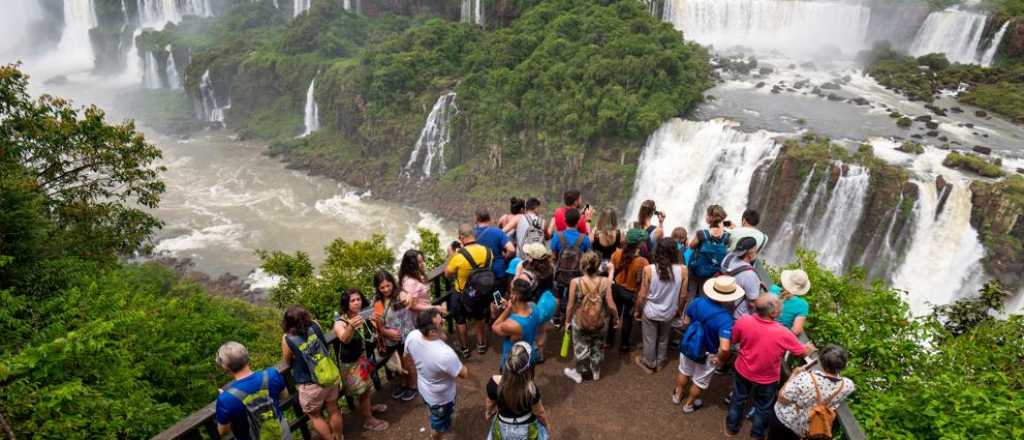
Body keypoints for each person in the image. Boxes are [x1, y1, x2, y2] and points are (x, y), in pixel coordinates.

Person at [725, 295, 815, 439]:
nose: (782, 310)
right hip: (767, 378)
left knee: (738, 398)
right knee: (763, 407)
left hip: (743, 369)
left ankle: (731, 428)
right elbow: (800, 351)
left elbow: (734, 339)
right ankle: (757, 434)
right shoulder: (783, 332)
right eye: (780, 307)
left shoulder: (744, 320)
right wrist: (808, 350)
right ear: (773, 313)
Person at [673, 277, 743, 414]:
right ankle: (689, 405)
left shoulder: (697, 302)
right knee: (699, 381)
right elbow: (724, 347)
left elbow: (686, 322)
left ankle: (677, 395)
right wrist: (720, 359)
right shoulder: (725, 319)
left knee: (684, 370)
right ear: (728, 297)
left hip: (689, 346)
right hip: (708, 354)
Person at [405, 309, 474, 440]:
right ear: (431, 332)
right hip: (441, 398)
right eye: (440, 322)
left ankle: (434, 420)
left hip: (425, 387)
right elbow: (464, 374)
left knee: (431, 410)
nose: (443, 321)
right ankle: (436, 436)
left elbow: (408, 357)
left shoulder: (413, 335)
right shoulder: (445, 354)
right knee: (438, 425)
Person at [280, 306, 343, 440]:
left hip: (309, 384)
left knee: (315, 415)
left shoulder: (287, 338)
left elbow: (286, 360)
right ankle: (339, 436)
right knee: (333, 409)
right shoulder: (315, 325)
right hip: (329, 376)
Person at [333, 288, 389, 432]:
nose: (357, 303)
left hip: (363, 359)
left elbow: (371, 335)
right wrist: (351, 326)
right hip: (351, 364)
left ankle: (368, 409)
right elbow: (344, 339)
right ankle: (368, 420)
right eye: (352, 300)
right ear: (346, 303)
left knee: (367, 387)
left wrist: (375, 321)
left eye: (358, 299)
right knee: (361, 392)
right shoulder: (341, 321)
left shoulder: (363, 314)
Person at [771, 345, 855, 440]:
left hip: (784, 418)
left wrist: (794, 375)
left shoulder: (805, 378)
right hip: (804, 427)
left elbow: (782, 398)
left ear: (822, 361)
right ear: (843, 366)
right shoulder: (847, 386)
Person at [215, 341, 292, 440]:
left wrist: (224, 398)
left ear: (225, 367)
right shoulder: (272, 374)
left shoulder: (226, 399)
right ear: (247, 356)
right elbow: (284, 395)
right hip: (281, 433)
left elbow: (223, 431)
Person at [564, 252, 619, 383]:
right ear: (598, 266)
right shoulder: (605, 281)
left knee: (580, 346)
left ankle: (580, 372)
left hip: (580, 321)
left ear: (582, 265)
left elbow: (570, 306)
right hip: (600, 321)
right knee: (598, 345)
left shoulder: (575, 282)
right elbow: (611, 304)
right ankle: (596, 371)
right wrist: (616, 318)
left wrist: (567, 321)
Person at [634, 238, 688, 373]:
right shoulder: (683, 270)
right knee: (664, 337)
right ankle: (660, 361)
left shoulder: (649, 269)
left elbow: (642, 295)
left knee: (649, 338)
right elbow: (683, 296)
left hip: (651, 311)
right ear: (675, 252)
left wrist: (637, 310)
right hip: (669, 311)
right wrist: (679, 310)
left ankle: (649, 363)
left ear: (657, 251)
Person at [445, 223, 494, 358]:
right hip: (481, 291)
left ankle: (465, 348)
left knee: (460, 320)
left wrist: (451, 255)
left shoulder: (459, 256)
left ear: (461, 237)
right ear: (474, 235)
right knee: (479, 318)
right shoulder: (488, 251)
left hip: (461, 293)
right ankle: (481, 345)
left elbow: (447, 274)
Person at [485, 342, 552, 440]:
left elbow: (490, 402)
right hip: (526, 429)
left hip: (502, 426)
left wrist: (488, 412)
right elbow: (540, 412)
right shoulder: (531, 390)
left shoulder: (494, 383)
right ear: (528, 368)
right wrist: (547, 425)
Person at [372, 271, 417, 401]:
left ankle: (413, 386)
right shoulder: (378, 301)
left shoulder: (400, 294)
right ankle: (404, 384)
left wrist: (409, 296)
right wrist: (386, 332)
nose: (386, 289)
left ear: (393, 283)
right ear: (378, 288)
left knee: (408, 363)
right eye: (382, 287)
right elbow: (378, 323)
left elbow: (408, 297)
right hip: (391, 339)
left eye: (388, 285)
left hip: (406, 336)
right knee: (398, 363)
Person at [514, 242, 559, 364]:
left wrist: (518, 272)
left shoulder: (527, 275)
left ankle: (527, 355)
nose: (526, 256)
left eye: (528, 255)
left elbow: (516, 288)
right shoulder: (550, 267)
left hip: (530, 306)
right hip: (543, 304)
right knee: (542, 330)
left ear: (532, 259)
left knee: (527, 331)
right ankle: (540, 353)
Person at [607, 229, 649, 352]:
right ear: (639, 244)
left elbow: (611, 270)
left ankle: (609, 340)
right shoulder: (643, 261)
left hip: (616, 289)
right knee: (627, 318)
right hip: (631, 293)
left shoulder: (616, 254)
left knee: (614, 315)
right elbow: (644, 280)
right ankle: (624, 344)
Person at [492, 279, 544, 369]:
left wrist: (507, 309)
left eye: (511, 292)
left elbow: (495, 327)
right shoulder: (534, 307)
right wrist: (512, 306)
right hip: (528, 356)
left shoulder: (511, 325)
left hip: (512, 363)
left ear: (515, 296)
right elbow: (521, 313)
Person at [688, 204, 730, 297]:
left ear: (711, 217)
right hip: (714, 272)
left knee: (692, 292)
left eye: (706, 214)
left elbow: (691, 246)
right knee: (707, 293)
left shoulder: (702, 234)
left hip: (697, 270)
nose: (705, 216)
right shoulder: (726, 236)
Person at [475, 207, 516, 292]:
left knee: (484, 298)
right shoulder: (497, 232)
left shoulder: (471, 234)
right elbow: (511, 249)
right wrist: (505, 257)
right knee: (498, 298)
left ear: (477, 219)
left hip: (480, 274)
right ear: (489, 218)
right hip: (498, 271)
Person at [721, 236, 764, 319]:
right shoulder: (749, 275)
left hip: (723, 303)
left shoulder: (728, 258)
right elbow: (752, 302)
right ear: (751, 252)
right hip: (738, 315)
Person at [774, 270, 811, 335]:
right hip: (778, 335)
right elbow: (795, 331)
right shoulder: (802, 305)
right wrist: (800, 329)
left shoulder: (773, 289)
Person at [591, 207, 622, 275]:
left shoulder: (595, 233)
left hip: (597, 269)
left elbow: (589, 248)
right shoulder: (619, 234)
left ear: (601, 218)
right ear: (614, 220)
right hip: (612, 269)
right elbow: (620, 252)